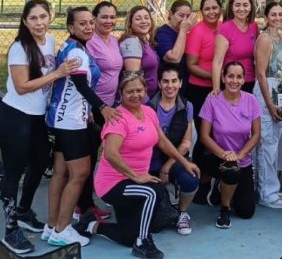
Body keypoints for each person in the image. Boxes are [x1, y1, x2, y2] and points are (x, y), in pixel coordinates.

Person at [81, 72, 199, 259]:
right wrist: (135, 176)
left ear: (145, 91)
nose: (135, 95)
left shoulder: (149, 112)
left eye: (139, 90)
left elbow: (162, 141)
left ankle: (90, 225)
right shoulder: (118, 117)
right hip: (113, 183)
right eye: (130, 91)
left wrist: (185, 162)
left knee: (128, 235)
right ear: (121, 93)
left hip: (133, 182)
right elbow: (110, 154)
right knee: (153, 191)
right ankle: (143, 243)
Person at [0, 0, 78, 255]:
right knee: (14, 171)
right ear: (25, 21)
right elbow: (21, 87)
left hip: (37, 119)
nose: (40, 22)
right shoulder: (20, 48)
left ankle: (23, 212)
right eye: (33, 18)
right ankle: (11, 230)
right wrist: (57, 73)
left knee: (40, 163)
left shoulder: (51, 42)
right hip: (15, 117)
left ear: (50, 17)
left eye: (43, 17)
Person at [44, 7, 120, 248]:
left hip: (64, 119)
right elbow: (80, 85)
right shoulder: (76, 53)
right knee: (80, 174)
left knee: (60, 173)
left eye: (90, 23)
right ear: (70, 27)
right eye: (82, 24)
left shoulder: (74, 47)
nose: (88, 27)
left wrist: (87, 113)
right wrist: (103, 108)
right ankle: (62, 229)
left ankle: (52, 225)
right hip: (70, 123)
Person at [198, 61, 262, 229]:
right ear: (223, 78)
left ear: (243, 79)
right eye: (230, 76)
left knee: (246, 211)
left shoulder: (251, 100)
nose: (234, 81)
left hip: (242, 159)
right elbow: (204, 136)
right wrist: (224, 155)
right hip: (217, 157)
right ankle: (224, 209)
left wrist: (240, 155)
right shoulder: (212, 101)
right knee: (231, 169)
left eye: (239, 77)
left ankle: (223, 187)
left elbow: (256, 135)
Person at [79, 0, 123, 221]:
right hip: (92, 108)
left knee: (103, 154)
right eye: (104, 17)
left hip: (110, 108)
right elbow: (82, 80)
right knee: (87, 157)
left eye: (112, 17)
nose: (109, 21)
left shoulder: (114, 41)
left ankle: (94, 199)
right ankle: (83, 206)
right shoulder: (89, 43)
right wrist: (89, 106)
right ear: (94, 19)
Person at [147, 62, 198, 236]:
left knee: (191, 178)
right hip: (151, 158)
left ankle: (182, 213)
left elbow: (185, 143)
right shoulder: (148, 107)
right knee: (155, 225)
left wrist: (166, 167)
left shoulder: (187, 106)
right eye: (165, 81)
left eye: (174, 81)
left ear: (180, 83)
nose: (170, 86)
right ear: (159, 84)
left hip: (175, 158)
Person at [254, 2, 282, 209]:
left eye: (281, 14)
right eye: (273, 14)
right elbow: (261, 73)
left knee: (274, 143)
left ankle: (272, 186)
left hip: (279, 89)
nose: (277, 17)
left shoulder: (281, 38)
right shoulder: (265, 39)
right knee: (266, 143)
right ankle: (266, 193)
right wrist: (268, 104)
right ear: (267, 17)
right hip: (265, 91)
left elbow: (279, 69)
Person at [185, 0, 222, 173]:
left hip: (220, 88)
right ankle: (201, 176)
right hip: (199, 89)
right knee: (204, 134)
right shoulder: (197, 31)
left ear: (220, 9)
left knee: (220, 132)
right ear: (201, 11)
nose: (211, 12)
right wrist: (215, 76)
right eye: (207, 8)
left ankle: (217, 172)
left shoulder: (224, 28)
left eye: (214, 8)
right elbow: (191, 65)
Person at [211, 0, 259, 94]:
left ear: (251, 7)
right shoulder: (225, 28)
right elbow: (217, 62)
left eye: (245, 5)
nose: (241, 9)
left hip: (250, 82)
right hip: (232, 83)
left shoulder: (254, 27)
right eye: (237, 5)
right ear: (232, 7)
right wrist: (216, 88)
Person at [154, 0, 197, 94]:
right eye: (181, 15)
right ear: (171, 14)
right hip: (168, 87)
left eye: (188, 16)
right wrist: (183, 31)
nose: (185, 20)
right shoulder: (163, 33)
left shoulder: (185, 32)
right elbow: (174, 58)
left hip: (183, 84)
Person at [120, 6, 159, 95]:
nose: (144, 21)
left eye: (146, 18)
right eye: (138, 19)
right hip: (138, 98)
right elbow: (132, 77)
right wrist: (142, 99)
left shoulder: (145, 41)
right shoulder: (131, 42)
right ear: (130, 23)